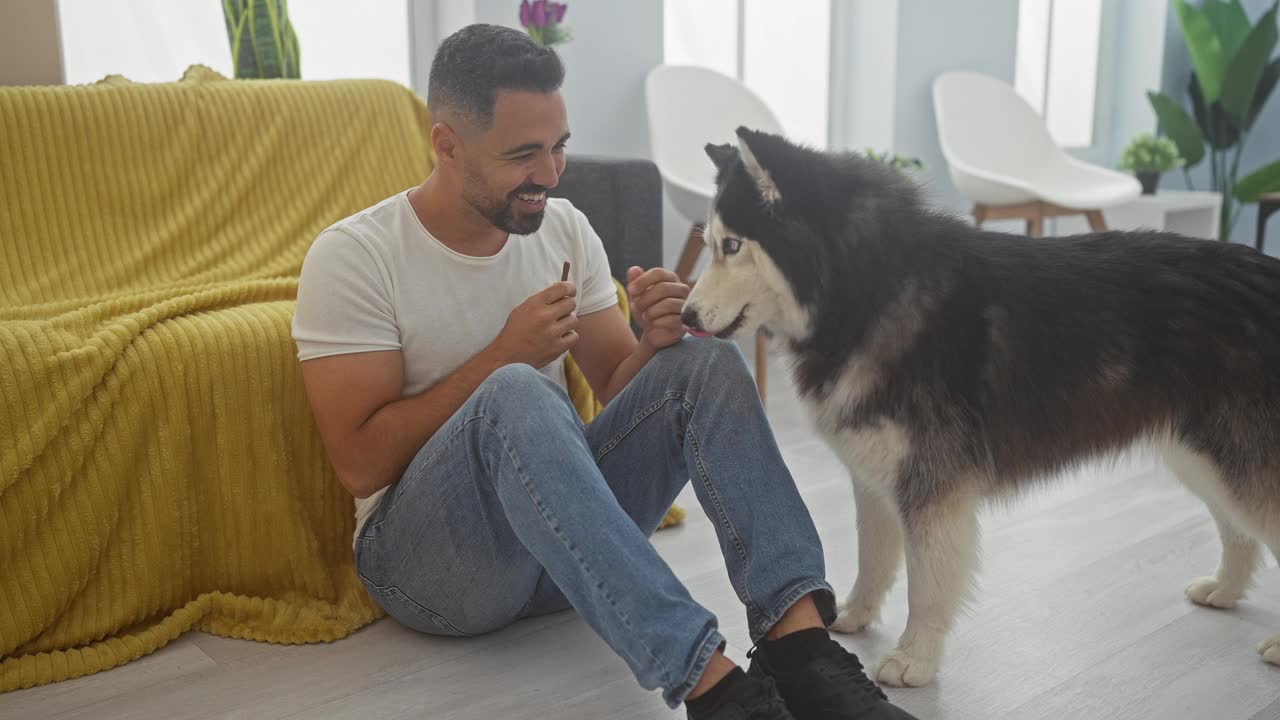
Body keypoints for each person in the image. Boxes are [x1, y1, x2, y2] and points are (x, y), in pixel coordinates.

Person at [291, 22, 917, 720]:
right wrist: (502, 357)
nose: (551, 175)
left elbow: (623, 389)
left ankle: (800, 648)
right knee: (516, 391)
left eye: (558, 147)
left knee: (703, 359)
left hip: (560, 553)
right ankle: (713, 688)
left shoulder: (561, 227)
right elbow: (358, 463)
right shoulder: (355, 256)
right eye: (524, 154)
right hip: (431, 574)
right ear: (446, 144)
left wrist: (653, 339)